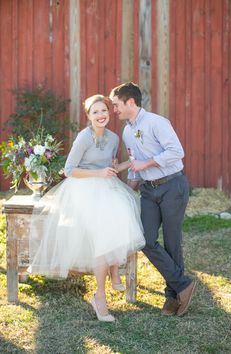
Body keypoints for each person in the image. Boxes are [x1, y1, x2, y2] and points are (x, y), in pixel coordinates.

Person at [27, 94, 145, 322]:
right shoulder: (83, 137)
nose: (101, 115)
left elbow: (110, 167)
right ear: (89, 116)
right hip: (82, 189)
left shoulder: (113, 138)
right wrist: (98, 173)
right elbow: (69, 170)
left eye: (104, 111)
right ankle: (100, 297)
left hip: (106, 187)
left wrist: (128, 163)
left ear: (109, 113)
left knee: (124, 216)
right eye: (95, 112)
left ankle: (113, 268)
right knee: (101, 236)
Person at [109, 82, 197, 316]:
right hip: (148, 191)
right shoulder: (127, 131)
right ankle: (183, 284)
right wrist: (127, 192)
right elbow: (135, 168)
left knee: (171, 241)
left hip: (172, 186)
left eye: (116, 105)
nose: (113, 110)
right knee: (145, 240)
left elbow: (177, 152)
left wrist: (146, 163)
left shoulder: (157, 122)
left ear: (130, 102)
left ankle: (173, 296)